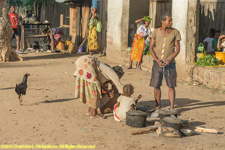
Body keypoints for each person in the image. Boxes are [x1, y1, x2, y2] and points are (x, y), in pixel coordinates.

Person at [149, 12, 181, 111]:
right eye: (169, 21)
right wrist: (157, 60)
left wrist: (169, 60)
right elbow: (150, 48)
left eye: (171, 20)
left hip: (170, 64)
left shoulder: (175, 32)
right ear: (163, 21)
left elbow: (177, 49)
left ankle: (171, 108)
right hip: (157, 63)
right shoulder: (156, 32)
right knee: (156, 85)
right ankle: (158, 106)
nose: (171, 22)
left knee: (171, 86)